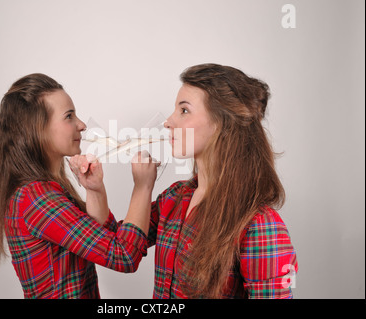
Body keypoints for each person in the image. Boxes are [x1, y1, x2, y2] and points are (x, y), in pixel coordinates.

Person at [75, 63, 298, 298]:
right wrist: (96, 189)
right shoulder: (175, 199)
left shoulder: (259, 225)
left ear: (221, 124)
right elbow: (120, 246)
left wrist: (142, 186)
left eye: (184, 111)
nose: (168, 122)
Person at [0, 73, 158, 299]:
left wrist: (95, 190)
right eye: (69, 116)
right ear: (36, 129)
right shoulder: (36, 198)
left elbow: (102, 238)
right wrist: (142, 187)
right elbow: (123, 255)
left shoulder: (42, 191)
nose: (82, 125)